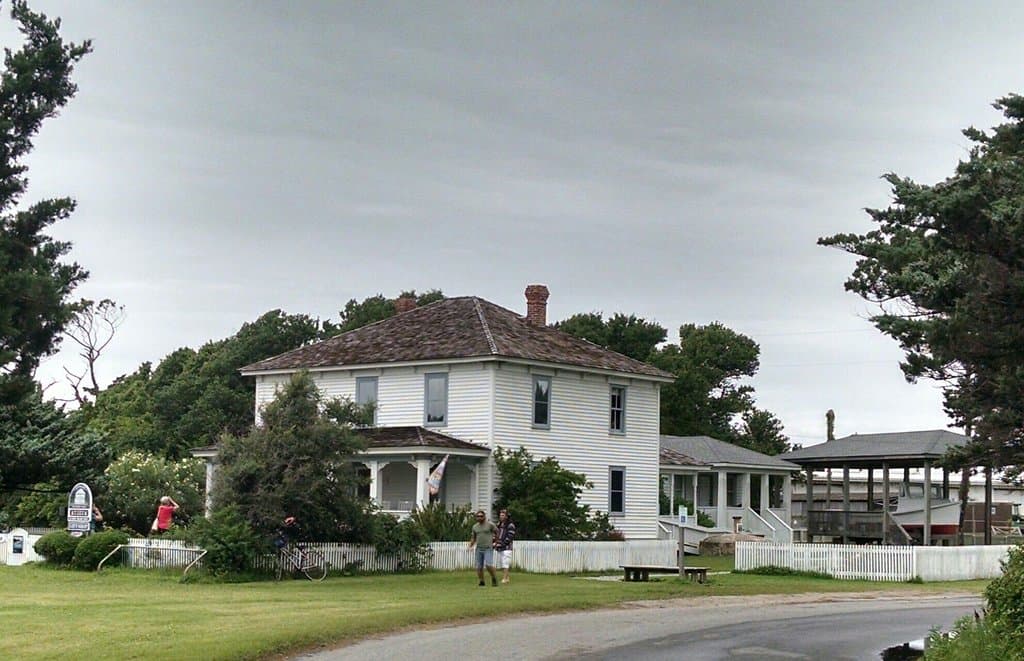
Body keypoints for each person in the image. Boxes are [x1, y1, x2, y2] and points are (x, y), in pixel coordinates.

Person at [467, 509, 498, 586]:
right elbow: (473, 538)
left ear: (484, 516)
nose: (479, 518)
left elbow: (497, 532)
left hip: (488, 548)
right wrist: (470, 546)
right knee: (479, 566)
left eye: (481, 516)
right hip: (479, 549)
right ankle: (482, 581)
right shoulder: (475, 527)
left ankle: (494, 578)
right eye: (478, 516)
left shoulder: (490, 525)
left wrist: (496, 542)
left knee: (488, 565)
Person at [493, 508, 516, 585]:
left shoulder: (510, 525)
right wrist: (495, 542)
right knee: (502, 563)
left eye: (503, 515)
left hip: (507, 547)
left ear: (506, 516)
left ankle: (504, 578)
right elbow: (495, 534)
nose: (501, 516)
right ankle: (507, 577)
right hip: (499, 547)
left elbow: (510, 536)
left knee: (505, 562)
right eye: (500, 515)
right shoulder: (499, 524)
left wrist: (502, 543)